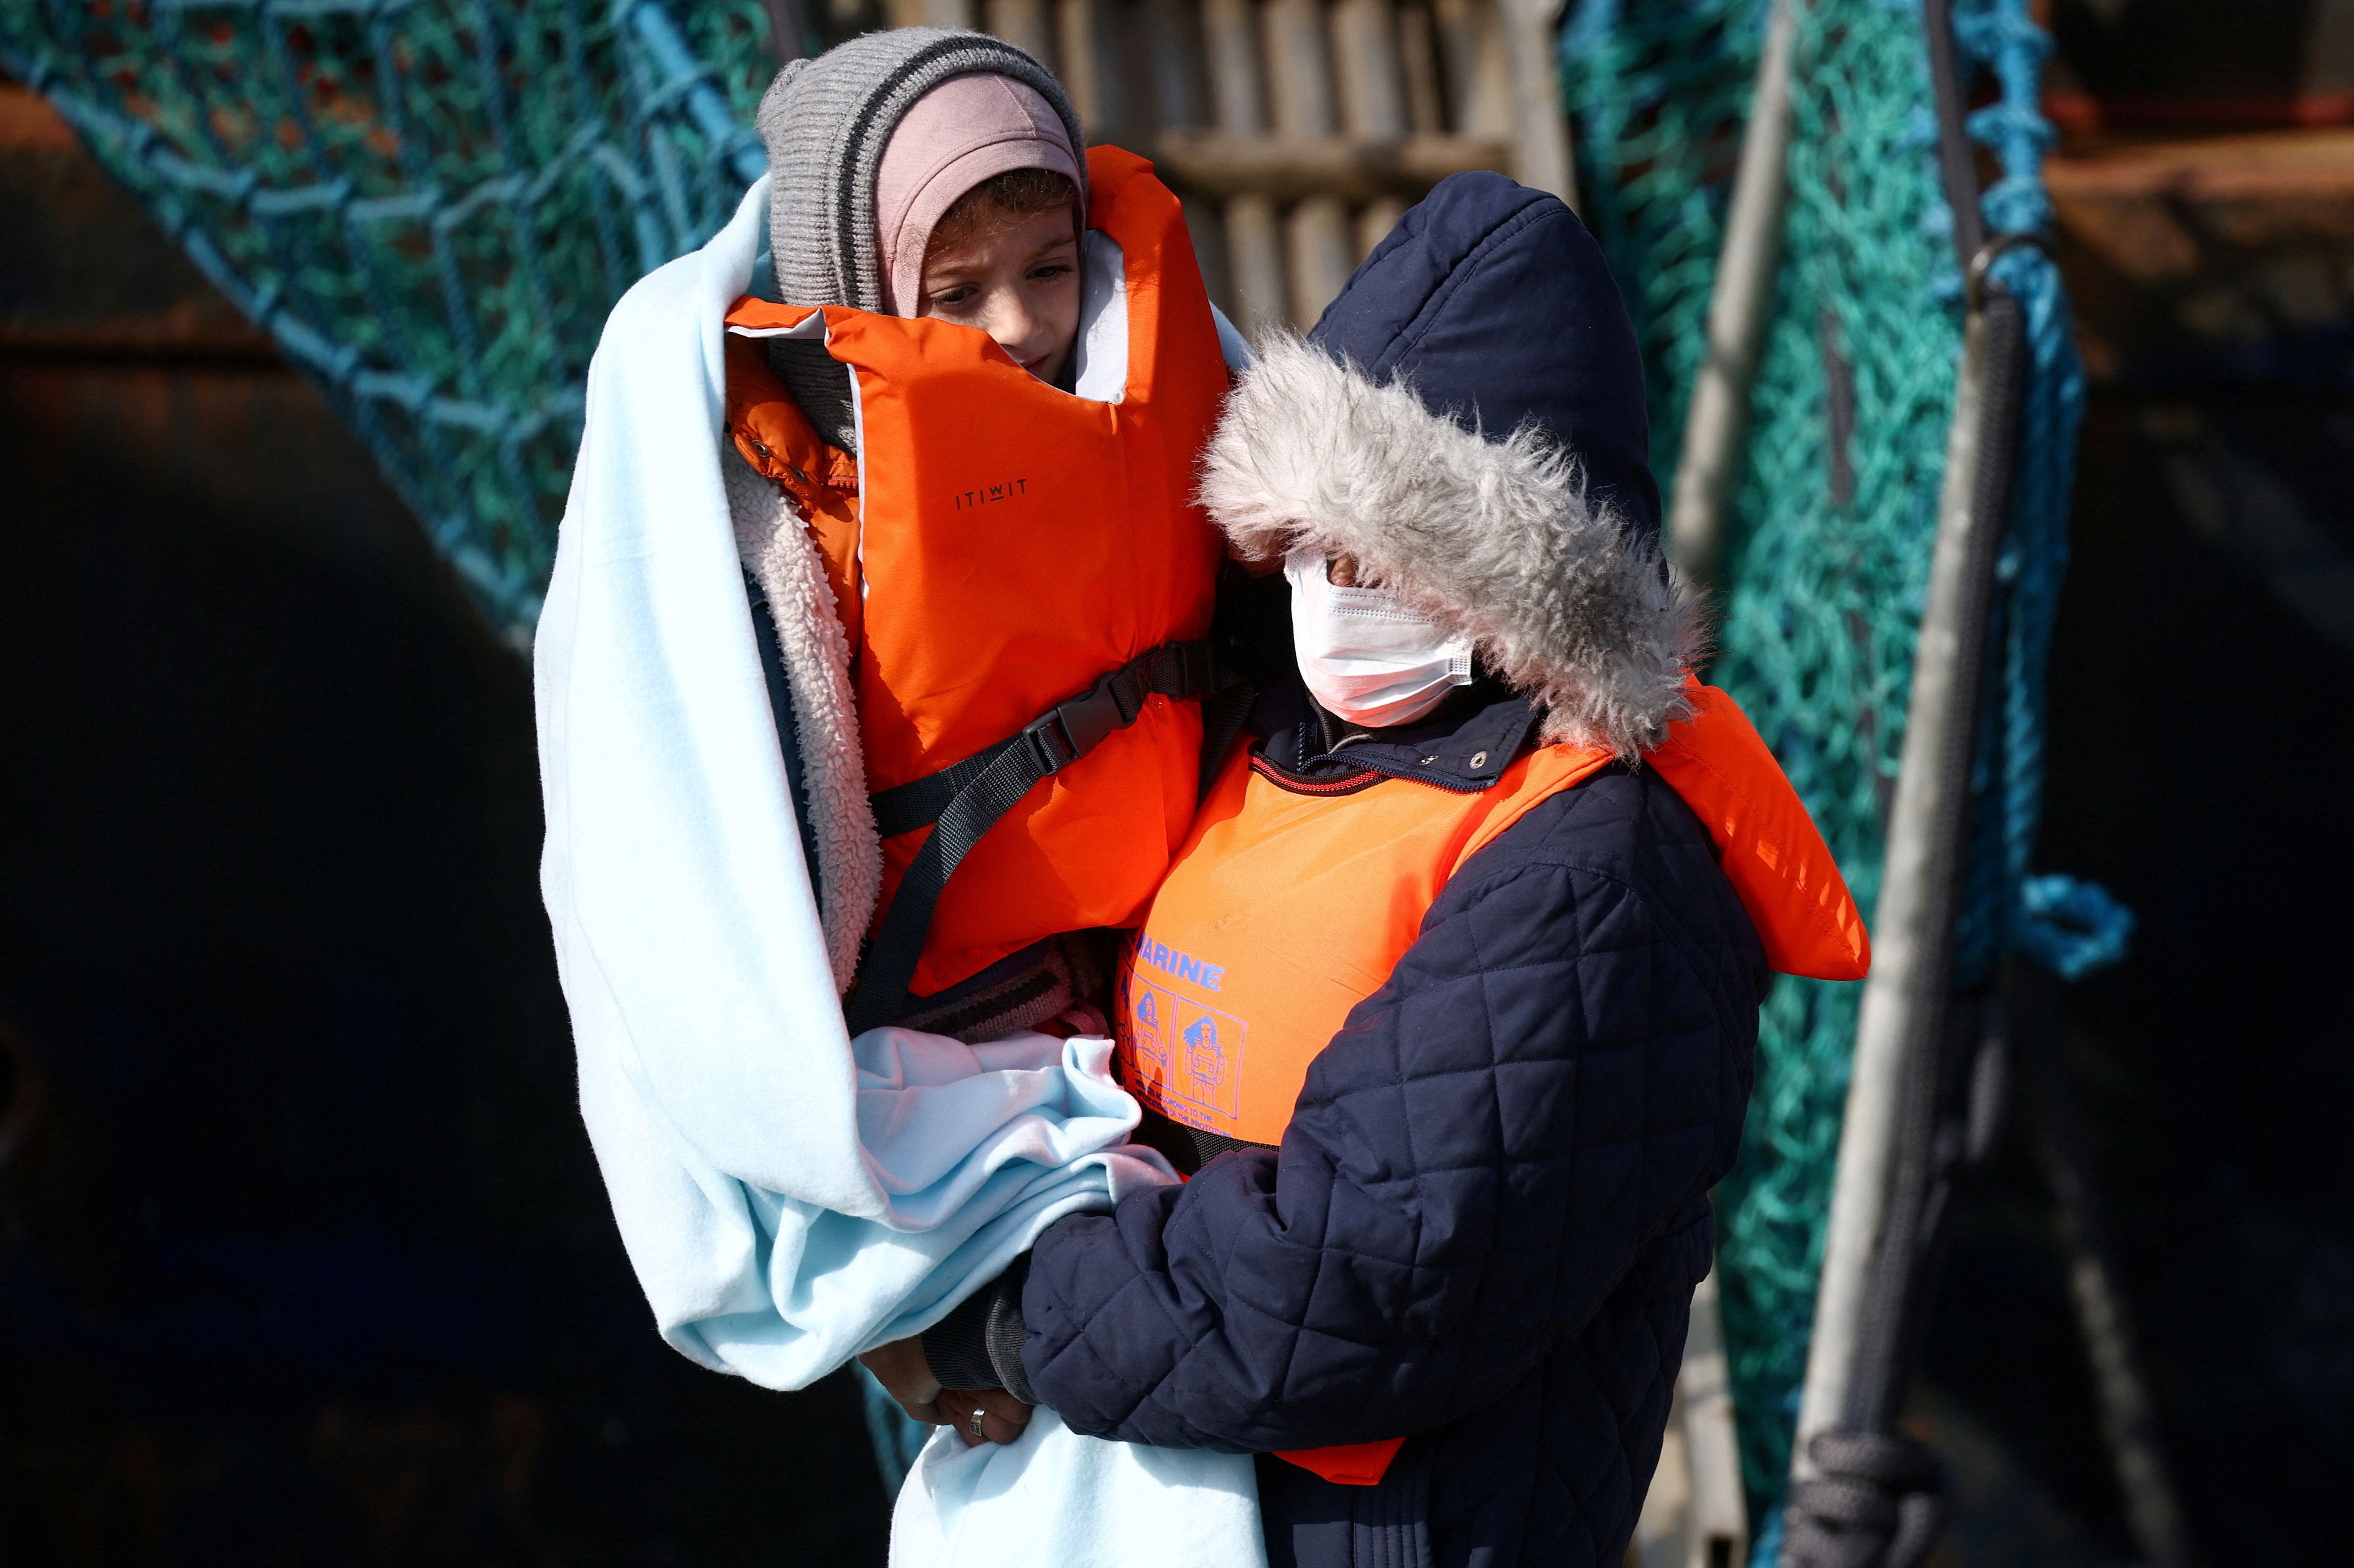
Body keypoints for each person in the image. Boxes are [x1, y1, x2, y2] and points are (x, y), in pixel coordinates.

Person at [866, 172, 1868, 1566]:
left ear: (1522, 587)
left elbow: (1358, 1281)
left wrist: (1011, 1320)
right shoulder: (1263, 741)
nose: (1334, 595)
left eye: (1390, 560)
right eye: (1307, 548)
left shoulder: (1601, 878)